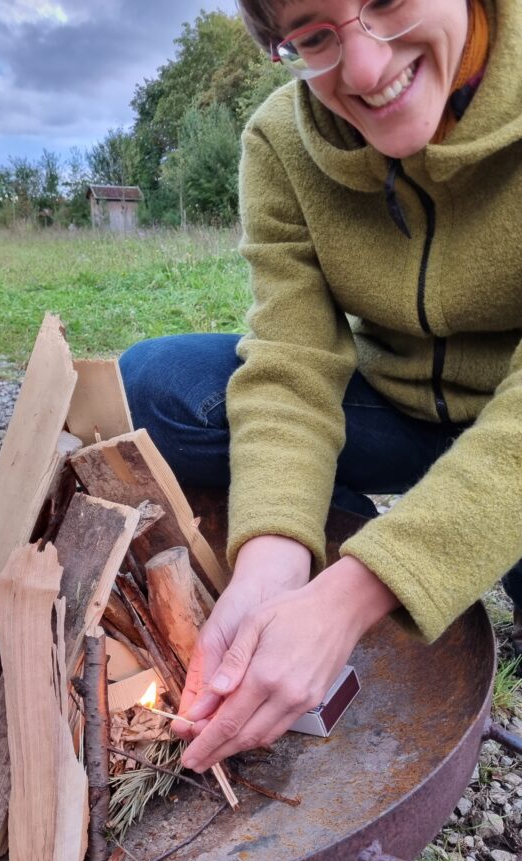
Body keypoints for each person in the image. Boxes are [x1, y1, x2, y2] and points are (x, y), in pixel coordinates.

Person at [120, 0, 522, 775]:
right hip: (393, 403)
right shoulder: (281, 140)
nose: (365, 70)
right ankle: (335, 525)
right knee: (160, 384)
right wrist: (273, 556)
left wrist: (355, 594)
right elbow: (292, 358)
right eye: (314, 34)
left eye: (390, 1)